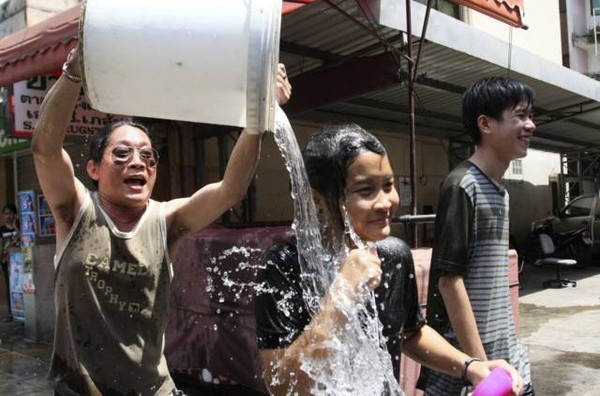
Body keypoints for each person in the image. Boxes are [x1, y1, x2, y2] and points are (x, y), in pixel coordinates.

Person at [32, 45, 291, 396]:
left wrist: (261, 116)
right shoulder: (75, 210)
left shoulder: (165, 220)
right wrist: (73, 72)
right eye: (121, 154)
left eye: (148, 156)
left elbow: (230, 190)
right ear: (93, 168)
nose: (137, 162)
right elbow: (45, 149)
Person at [255, 124, 524, 395]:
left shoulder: (393, 255)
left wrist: (470, 366)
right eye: (365, 190)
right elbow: (281, 384)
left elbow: (410, 333)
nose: (385, 202)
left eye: (388, 185)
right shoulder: (284, 264)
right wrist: (342, 296)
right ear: (317, 201)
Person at [421, 76, 536, 395]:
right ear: (485, 124)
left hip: (507, 359)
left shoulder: (500, 190)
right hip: (470, 371)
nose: (531, 125)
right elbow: (449, 282)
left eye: (530, 116)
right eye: (521, 116)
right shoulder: (462, 186)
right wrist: (482, 370)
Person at [0, 203, 20, 322]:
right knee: (10, 286)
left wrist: (16, 227)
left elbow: (24, 239)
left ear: (15, 215)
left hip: (19, 262)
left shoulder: (20, 227)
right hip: (6, 262)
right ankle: (11, 312)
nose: (8, 216)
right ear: (3, 216)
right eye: (6, 214)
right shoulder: (1, 230)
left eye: (11, 213)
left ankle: (22, 311)